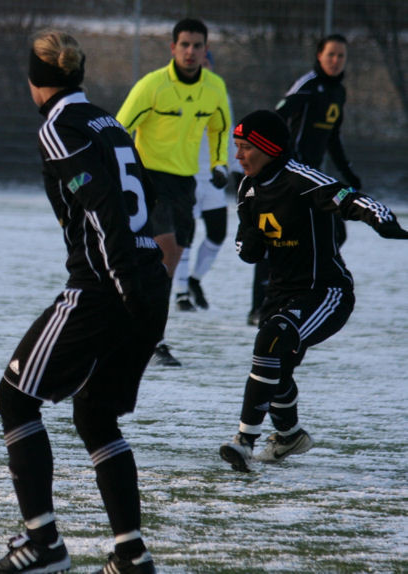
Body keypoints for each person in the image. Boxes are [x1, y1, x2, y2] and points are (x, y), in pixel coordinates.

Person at [0, 28, 169, 574]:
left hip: (105, 287)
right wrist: (139, 280)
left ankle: (43, 545)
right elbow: (146, 194)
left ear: (36, 82)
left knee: (15, 399)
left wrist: (120, 283)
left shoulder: (57, 126)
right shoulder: (108, 120)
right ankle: (131, 554)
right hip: (147, 281)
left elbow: (104, 204)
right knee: (95, 414)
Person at [219, 110, 408, 473]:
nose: (238, 156)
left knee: (270, 342)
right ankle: (290, 436)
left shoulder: (299, 178)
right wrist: (250, 243)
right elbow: (245, 247)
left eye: (245, 148)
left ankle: (243, 442)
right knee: (276, 371)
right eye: (236, 147)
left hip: (326, 292)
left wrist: (382, 220)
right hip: (280, 294)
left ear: (269, 148)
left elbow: (349, 197)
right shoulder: (247, 187)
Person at [116, 18, 232, 364]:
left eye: (198, 45)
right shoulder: (152, 85)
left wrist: (219, 163)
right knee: (165, 254)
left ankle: (142, 330)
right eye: (185, 44)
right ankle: (152, 340)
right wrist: (120, 173)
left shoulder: (214, 87)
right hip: (149, 180)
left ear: (205, 49)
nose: (191, 51)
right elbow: (119, 127)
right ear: (173, 48)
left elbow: (221, 128)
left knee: (169, 264)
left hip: (186, 184)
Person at [248, 33, 358, 325]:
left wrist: (347, 172)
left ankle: (303, 290)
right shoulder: (308, 86)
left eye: (341, 56)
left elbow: (332, 137)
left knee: (336, 234)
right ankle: (260, 306)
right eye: (330, 54)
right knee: (274, 237)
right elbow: (277, 118)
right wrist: (286, 160)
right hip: (292, 179)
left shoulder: (338, 92)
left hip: (315, 181)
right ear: (319, 56)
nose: (335, 61)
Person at [173, 50, 239, 311]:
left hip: (213, 179)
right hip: (184, 176)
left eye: (207, 62)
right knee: (184, 235)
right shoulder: (178, 94)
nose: (202, 66)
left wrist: (236, 170)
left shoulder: (220, 96)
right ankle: (180, 292)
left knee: (217, 233)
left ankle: (194, 280)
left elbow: (230, 131)